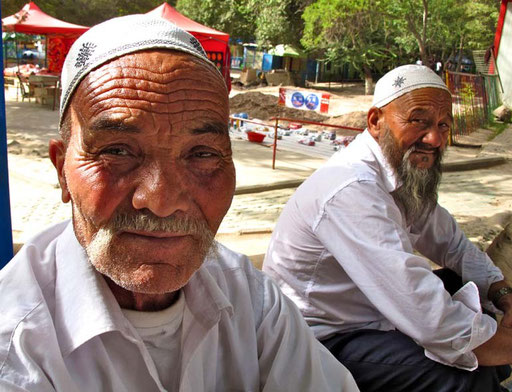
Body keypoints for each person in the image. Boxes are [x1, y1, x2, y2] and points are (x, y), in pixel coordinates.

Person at [0, 15, 359, 392]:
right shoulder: (17, 345)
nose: (161, 201)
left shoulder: (252, 301)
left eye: (201, 154)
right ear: (62, 171)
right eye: (117, 151)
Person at [263, 64, 512, 391]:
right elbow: (421, 306)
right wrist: (499, 342)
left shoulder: (400, 174)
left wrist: (502, 292)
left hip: (368, 317)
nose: (434, 138)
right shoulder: (351, 188)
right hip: (319, 340)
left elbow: (453, 245)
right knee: (464, 374)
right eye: (418, 121)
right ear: (376, 121)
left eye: (443, 125)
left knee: (467, 290)